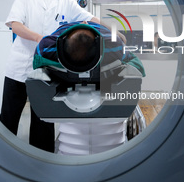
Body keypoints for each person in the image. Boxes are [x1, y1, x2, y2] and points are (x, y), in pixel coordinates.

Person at [0, 0, 100, 152]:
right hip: (18, 68)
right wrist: (39, 38)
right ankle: (3, 155)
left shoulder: (65, 1)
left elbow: (89, 18)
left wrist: (113, 30)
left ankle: (42, 160)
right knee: (9, 117)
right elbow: (15, 25)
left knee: (44, 119)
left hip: (47, 70)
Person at [32, 21, 145, 155]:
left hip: (99, 29)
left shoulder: (113, 45)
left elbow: (134, 63)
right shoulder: (48, 46)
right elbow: (37, 63)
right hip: (69, 28)